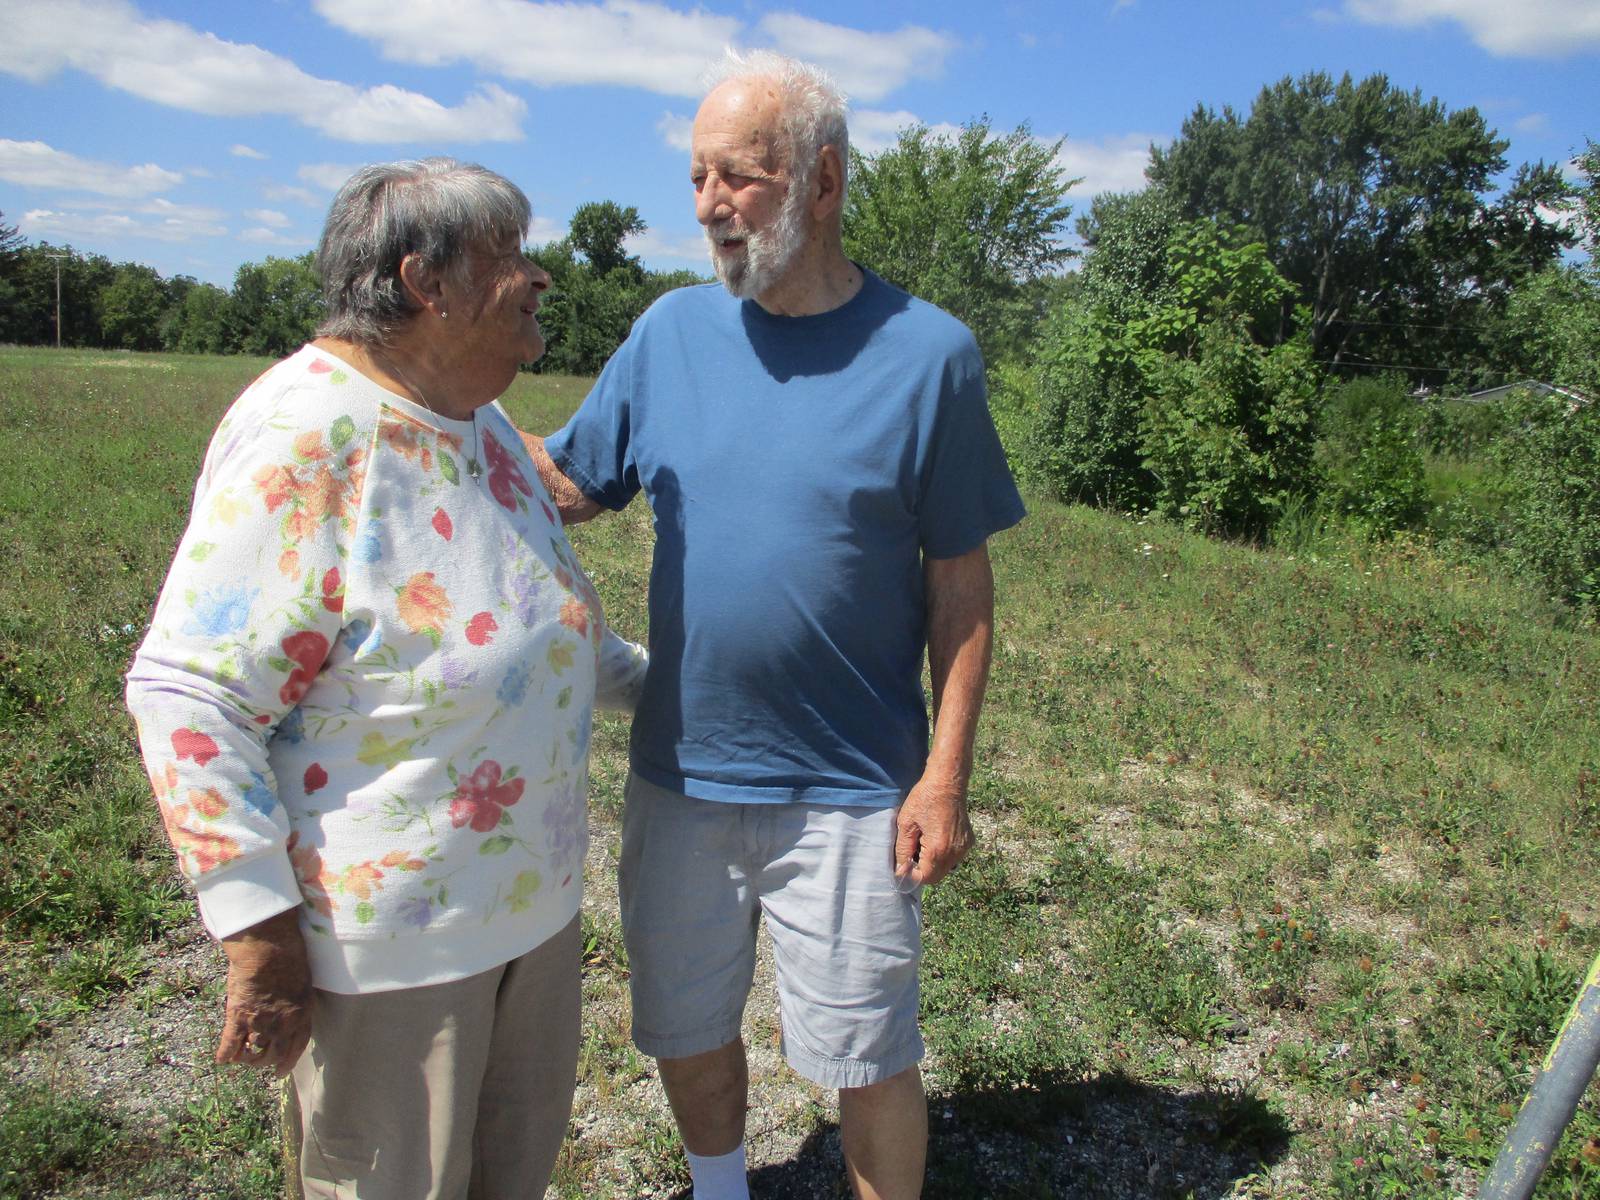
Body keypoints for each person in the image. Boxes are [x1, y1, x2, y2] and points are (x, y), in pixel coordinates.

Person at [528, 51, 1025, 1200]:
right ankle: (719, 1190)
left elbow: (962, 590)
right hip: (681, 772)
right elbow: (567, 485)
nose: (708, 204)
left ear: (825, 179)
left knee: (868, 1052)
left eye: (739, 177)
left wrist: (944, 775)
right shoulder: (668, 336)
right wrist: (417, 404)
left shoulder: (929, 357)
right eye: (696, 175)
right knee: (684, 1021)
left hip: (853, 787)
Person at [125, 158, 646, 1200]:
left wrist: (696, 686)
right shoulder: (307, 434)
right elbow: (191, 697)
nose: (540, 279)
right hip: (392, 960)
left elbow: (558, 635)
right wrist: (258, 934)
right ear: (427, 282)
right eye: (512, 257)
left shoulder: (484, 426)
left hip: (529, 925)